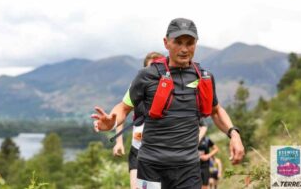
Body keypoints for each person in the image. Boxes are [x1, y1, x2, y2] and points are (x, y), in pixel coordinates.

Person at [92, 18, 245, 189]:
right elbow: (124, 107)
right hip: (151, 167)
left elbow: (216, 112)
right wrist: (112, 122)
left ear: (196, 43)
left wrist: (234, 134)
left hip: (189, 169)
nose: (184, 49)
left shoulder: (204, 77)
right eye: (178, 42)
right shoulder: (146, 76)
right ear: (166, 43)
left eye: (190, 43)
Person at [113, 52, 209, 189]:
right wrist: (118, 142)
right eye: (151, 67)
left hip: (164, 156)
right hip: (138, 151)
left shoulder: (175, 90)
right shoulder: (138, 86)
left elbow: (203, 123)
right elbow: (122, 112)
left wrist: (194, 141)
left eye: (157, 66)